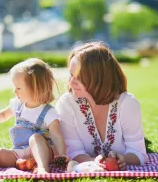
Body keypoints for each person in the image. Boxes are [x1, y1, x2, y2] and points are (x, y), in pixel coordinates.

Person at [0, 58, 67, 173]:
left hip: (42, 153)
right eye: (14, 87)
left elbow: (57, 136)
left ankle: (42, 168)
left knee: (35, 138)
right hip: (18, 153)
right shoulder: (18, 104)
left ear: (36, 89)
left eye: (18, 88)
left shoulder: (49, 112)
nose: (14, 91)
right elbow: (3, 114)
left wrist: (61, 155)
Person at [55, 41, 148, 172]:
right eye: (71, 74)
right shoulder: (66, 104)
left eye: (80, 77)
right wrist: (97, 163)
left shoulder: (127, 104)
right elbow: (73, 152)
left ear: (100, 78)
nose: (71, 82)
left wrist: (122, 158)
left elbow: (139, 153)